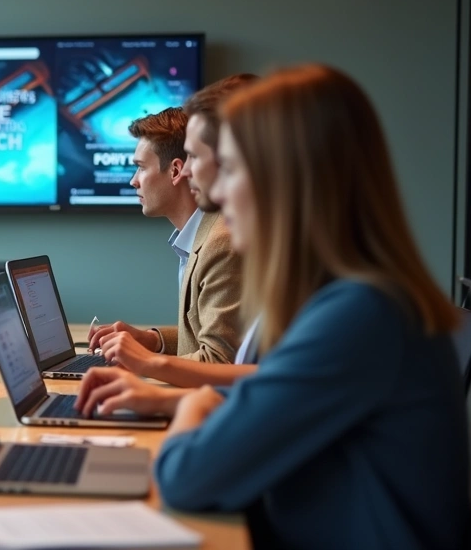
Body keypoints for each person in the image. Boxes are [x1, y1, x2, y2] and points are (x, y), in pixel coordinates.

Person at [153, 65, 468, 548]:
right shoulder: (347, 299)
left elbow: (187, 475)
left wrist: (195, 401)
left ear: (286, 181)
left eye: (232, 169)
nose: (216, 191)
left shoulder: (359, 316)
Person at [88, 106, 243, 376]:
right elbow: (202, 337)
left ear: (175, 171)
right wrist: (152, 340)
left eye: (139, 168)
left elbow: (220, 362)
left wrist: (144, 362)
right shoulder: (199, 237)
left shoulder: (220, 244)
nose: (133, 181)